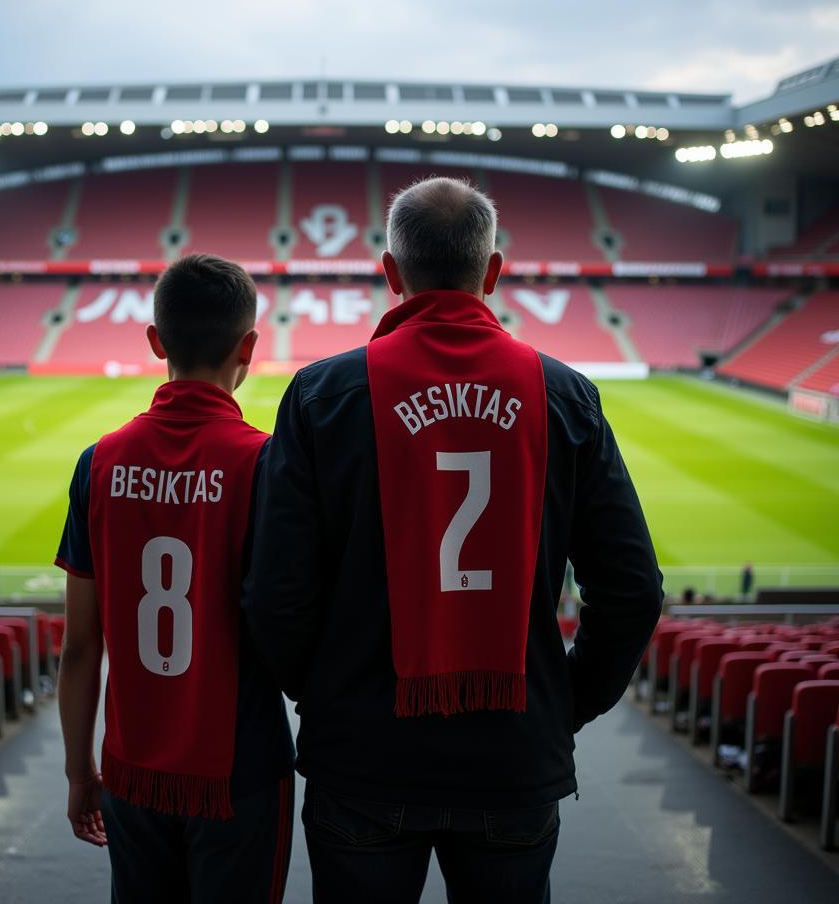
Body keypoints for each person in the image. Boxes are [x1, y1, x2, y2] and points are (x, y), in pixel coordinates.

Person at [245, 177, 663, 904]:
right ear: (493, 272)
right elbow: (632, 592)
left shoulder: (321, 394)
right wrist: (559, 703)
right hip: (513, 758)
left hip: (363, 757)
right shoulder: (565, 395)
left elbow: (274, 594)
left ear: (390, 273)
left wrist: (329, 694)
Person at [55, 254, 295, 904]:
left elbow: (80, 645)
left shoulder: (97, 463)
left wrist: (80, 772)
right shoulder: (268, 463)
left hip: (132, 769)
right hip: (239, 771)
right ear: (249, 346)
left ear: (155, 342)